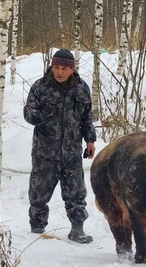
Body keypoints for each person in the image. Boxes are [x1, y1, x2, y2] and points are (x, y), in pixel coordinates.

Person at [23, 49, 97, 243]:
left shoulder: (81, 89)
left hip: (72, 152)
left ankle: (77, 230)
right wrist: (35, 116)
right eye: (56, 67)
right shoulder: (40, 87)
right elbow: (29, 111)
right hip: (44, 152)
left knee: (76, 193)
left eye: (64, 68)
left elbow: (87, 118)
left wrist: (90, 141)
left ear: (72, 69)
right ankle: (37, 230)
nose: (60, 72)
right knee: (39, 194)